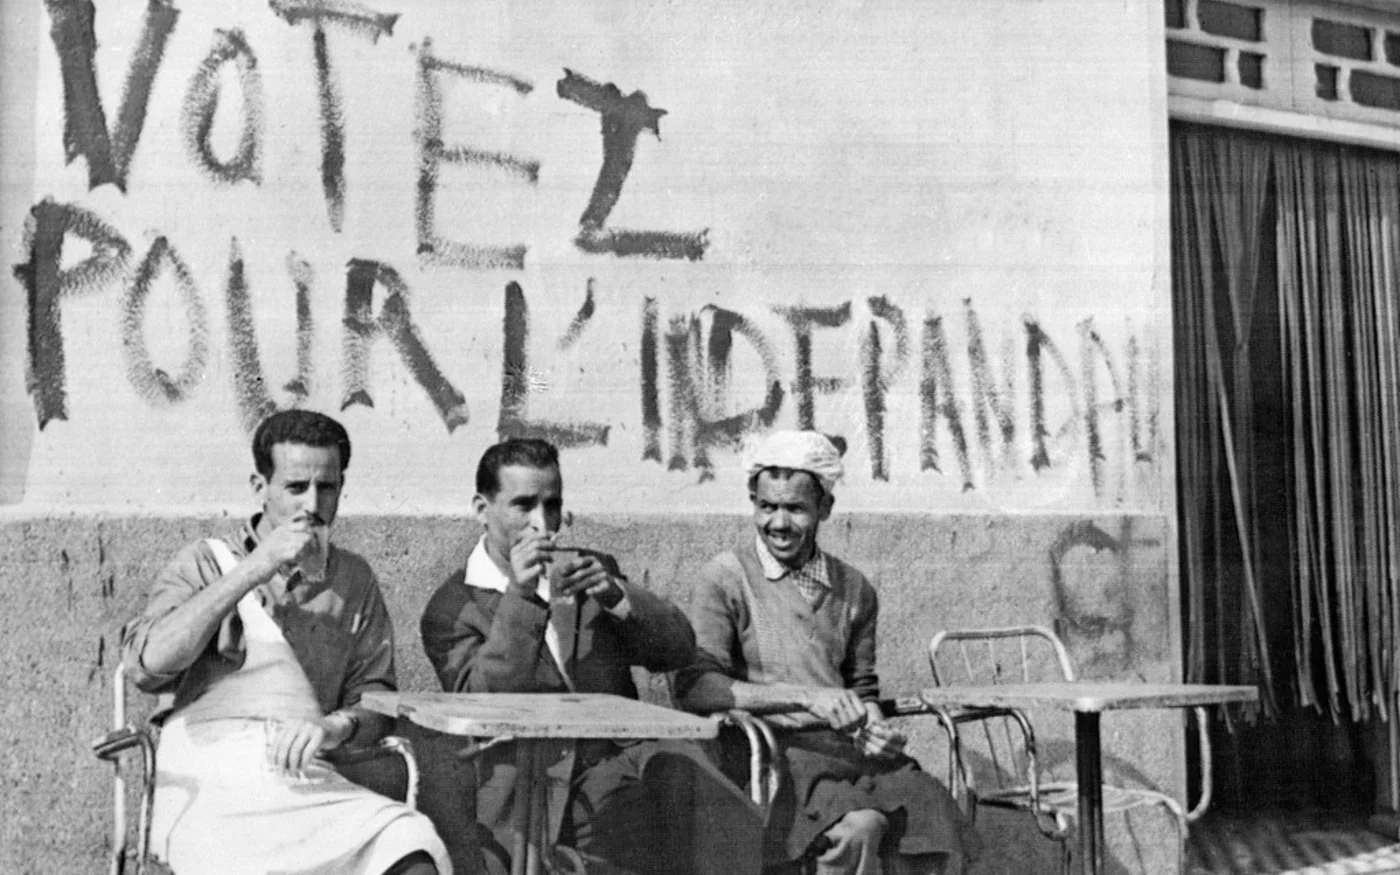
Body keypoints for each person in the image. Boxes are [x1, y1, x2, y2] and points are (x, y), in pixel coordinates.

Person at [121, 410, 450, 875]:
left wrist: (334, 727)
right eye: (296, 487)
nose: (312, 504)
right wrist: (256, 568)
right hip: (210, 778)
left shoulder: (352, 579)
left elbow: (377, 699)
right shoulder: (207, 562)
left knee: (411, 847)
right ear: (261, 487)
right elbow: (146, 666)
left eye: (327, 487)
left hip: (304, 774)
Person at [419, 438, 762, 875]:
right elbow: (480, 701)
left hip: (625, 770)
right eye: (523, 505)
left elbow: (677, 649)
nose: (542, 524)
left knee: (710, 801)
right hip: (536, 789)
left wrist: (617, 595)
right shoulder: (451, 608)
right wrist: (522, 597)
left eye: (552, 505)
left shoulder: (589, 568)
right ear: (482, 509)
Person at [675, 430, 975, 875]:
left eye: (795, 509)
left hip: (846, 756)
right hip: (767, 758)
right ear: (752, 502)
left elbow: (861, 688)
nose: (778, 523)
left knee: (934, 817)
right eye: (767, 507)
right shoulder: (724, 579)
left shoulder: (854, 589)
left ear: (825, 509)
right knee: (862, 829)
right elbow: (697, 688)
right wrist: (806, 697)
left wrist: (875, 728)